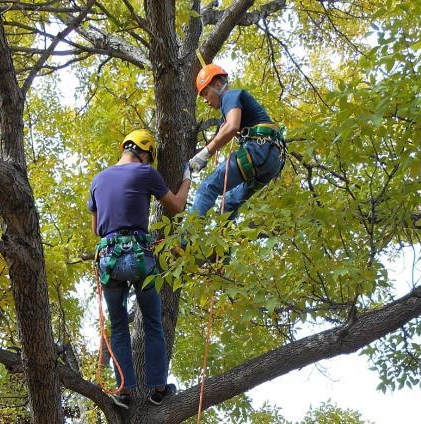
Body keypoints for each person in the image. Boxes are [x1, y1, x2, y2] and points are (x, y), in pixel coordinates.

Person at [87, 129, 191, 409]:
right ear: (144, 152)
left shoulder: (97, 181)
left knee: (118, 326)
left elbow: (97, 229)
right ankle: (158, 389)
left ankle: (124, 391)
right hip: (140, 255)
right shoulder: (145, 174)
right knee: (153, 322)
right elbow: (177, 206)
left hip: (109, 259)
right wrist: (188, 177)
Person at [188, 64, 286, 218]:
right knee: (227, 206)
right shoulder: (224, 116)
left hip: (260, 149)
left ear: (218, 85)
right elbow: (219, 138)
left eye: (206, 93)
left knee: (207, 188)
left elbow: (232, 127)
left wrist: (206, 153)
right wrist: (196, 158)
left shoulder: (230, 96)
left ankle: (184, 240)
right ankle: (227, 240)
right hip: (272, 161)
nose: (205, 100)